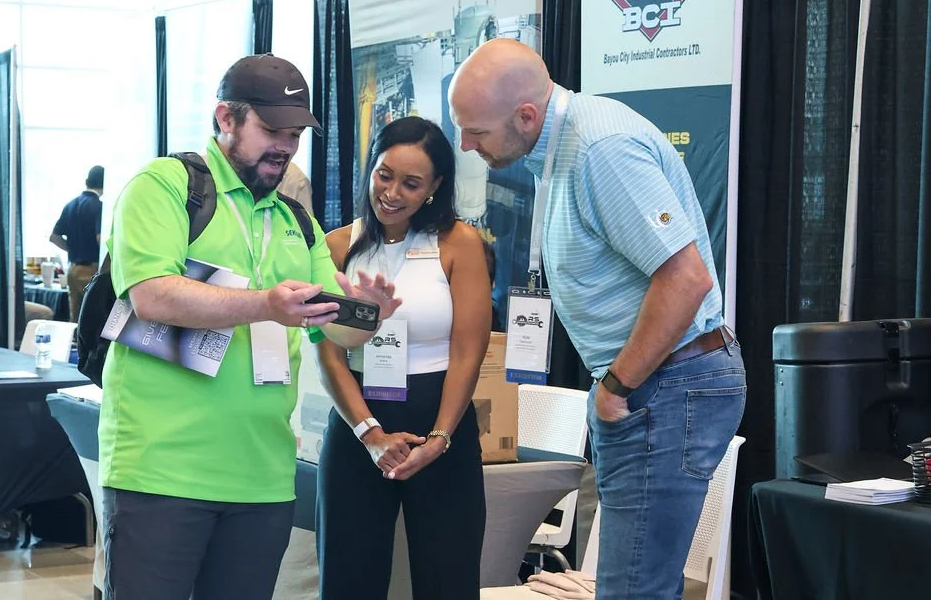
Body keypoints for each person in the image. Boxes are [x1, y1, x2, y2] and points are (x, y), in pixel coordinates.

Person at [449, 39, 746, 600]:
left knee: (633, 589)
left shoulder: (598, 149)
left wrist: (615, 387)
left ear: (526, 116)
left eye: (477, 132)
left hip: (665, 384)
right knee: (631, 585)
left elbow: (686, 279)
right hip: (657, 383)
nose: (466, 145)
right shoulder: (559, 147)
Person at [98, 53, 402, 600]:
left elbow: (335, 331)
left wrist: (369, 316)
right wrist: (266, 304)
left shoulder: (295, 220)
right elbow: (150, 294)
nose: (285, 145)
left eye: (294, 133)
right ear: (226, 119)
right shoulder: (167, 186)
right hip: (161, 470)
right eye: (271, 129)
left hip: (262, 477)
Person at [316, 116, 492, 599]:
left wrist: (439, 438)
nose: (391, 193)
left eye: (411, 183)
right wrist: (369, 432)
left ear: (435, 186)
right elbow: (327, 353)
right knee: (348, 578)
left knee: (447, 577)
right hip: (357, 422)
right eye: (384, 175)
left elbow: (468, 350)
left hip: (440, 420)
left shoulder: (459, 245)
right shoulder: (336, 246)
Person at [50, 165, 104, 321]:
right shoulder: (99, 207)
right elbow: (99, 238)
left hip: (72, 269)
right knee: (94, 318)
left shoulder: (70, 205)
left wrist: (73, 249)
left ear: (87, 181)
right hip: (91, 270)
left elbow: (54, 237)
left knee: (76, 320)